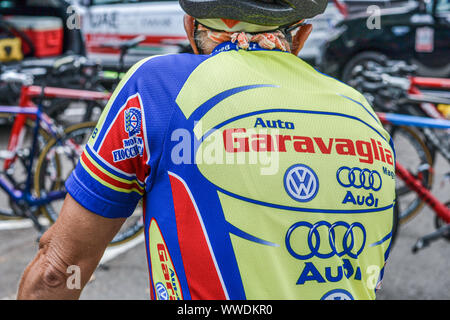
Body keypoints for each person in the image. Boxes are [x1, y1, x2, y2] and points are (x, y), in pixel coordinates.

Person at [18, 0, 396, 300]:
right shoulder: (365, 115)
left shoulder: (158, 89)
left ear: (190, 29)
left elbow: (58, 270)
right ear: (300, 38)